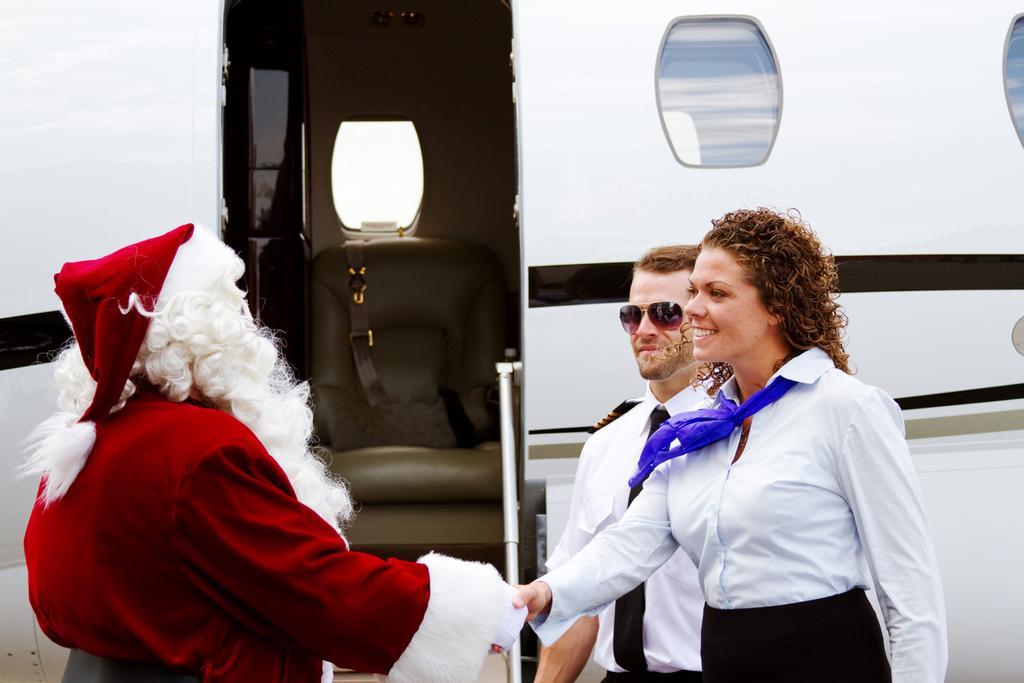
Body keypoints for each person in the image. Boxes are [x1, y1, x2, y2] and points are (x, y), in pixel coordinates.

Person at [20, 224, 525, 683]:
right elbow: (313, 584)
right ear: (202, 338)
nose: (249, 328)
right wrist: (479, 607)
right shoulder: (200, 450)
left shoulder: (90, 441)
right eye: (233, 312)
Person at [519, 208, 947, 683]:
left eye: (716, 294)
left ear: (776, 308)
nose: (694, 310)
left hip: (825, 661)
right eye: (694, 291)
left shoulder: (846, 408)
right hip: (727, 662)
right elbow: (629, 544)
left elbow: (909, 591)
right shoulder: (703, 428)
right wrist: (544, 594)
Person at [536, 246, 704, 683]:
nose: (643, 330)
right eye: (632, 315)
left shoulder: (733, 431)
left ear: (703, 315)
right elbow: (577, 597)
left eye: (666, 313)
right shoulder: (606, 443)